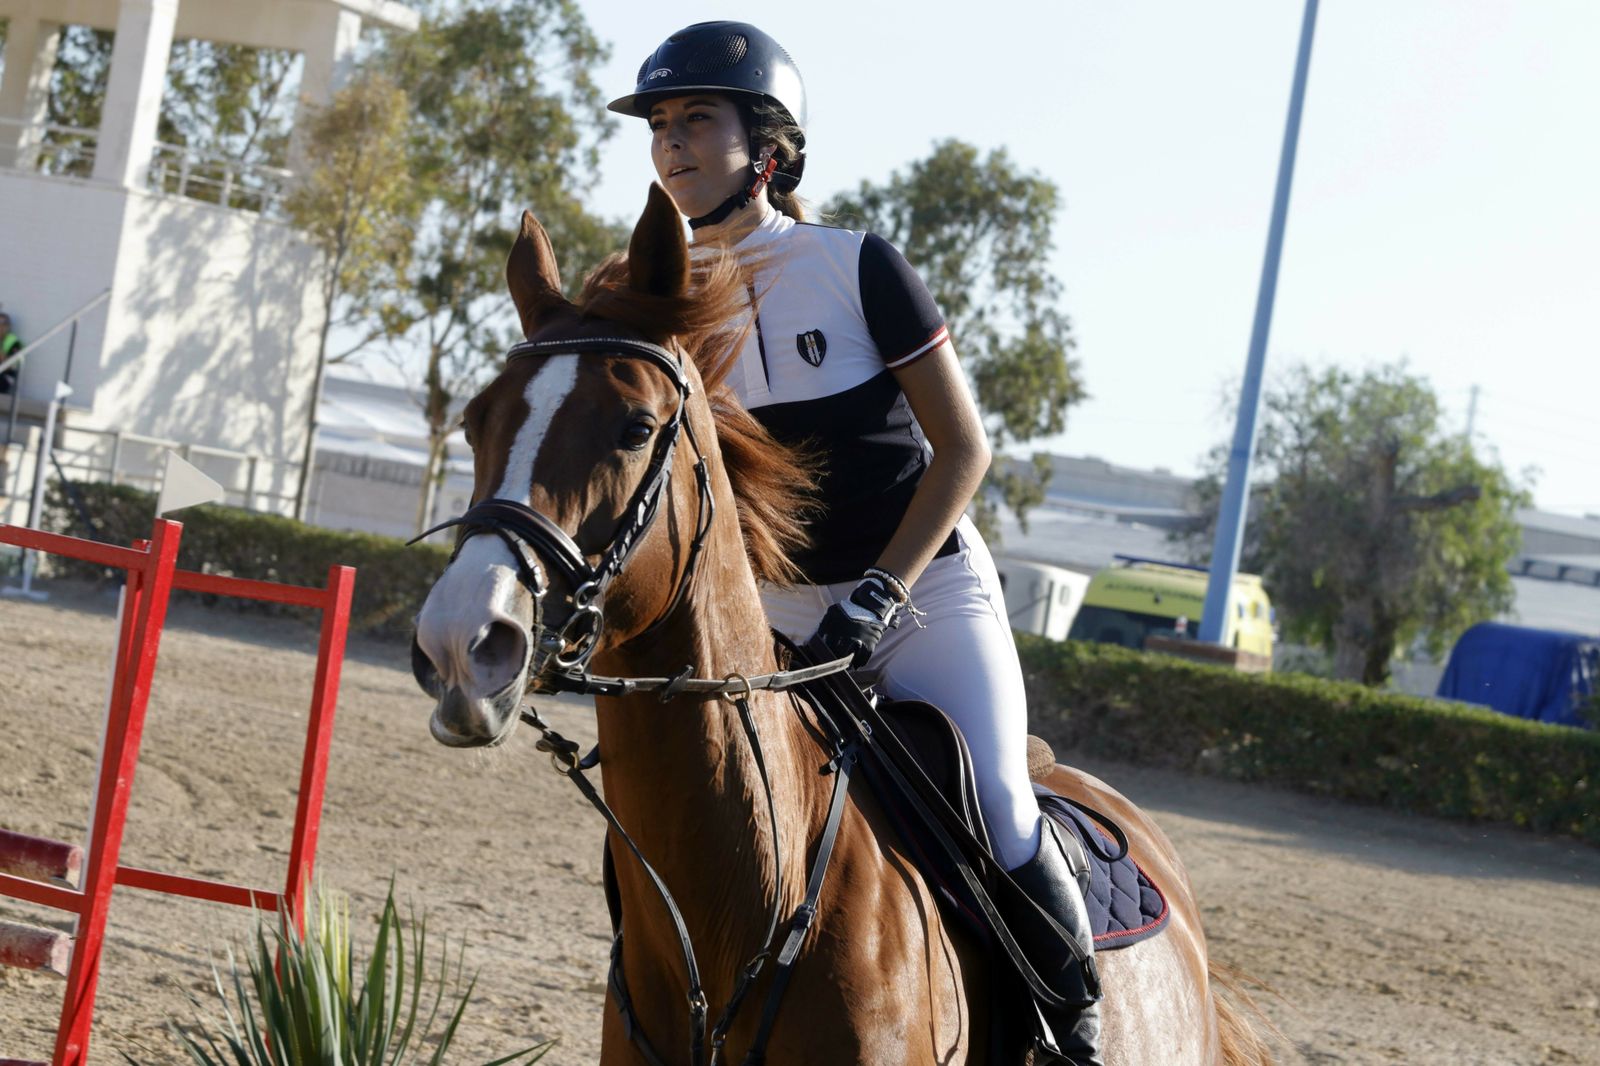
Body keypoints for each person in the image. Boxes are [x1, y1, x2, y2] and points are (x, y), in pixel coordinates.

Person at [609, 22, 1102, 1064]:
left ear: (769, 148)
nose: (672, 144)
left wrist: (880, 589)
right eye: (660, 125)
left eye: (698, 119)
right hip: (776, 615)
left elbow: (962, 450)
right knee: (682, 819)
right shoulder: (658, 298)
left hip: (923, 598)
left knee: (1004, 809)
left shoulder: (857, 265)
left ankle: (1072, 1030)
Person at [0, 313, 21, 395]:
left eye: (2, 324)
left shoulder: (14, 342)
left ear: (8, 327)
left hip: (5, 377)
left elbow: (10, 366)